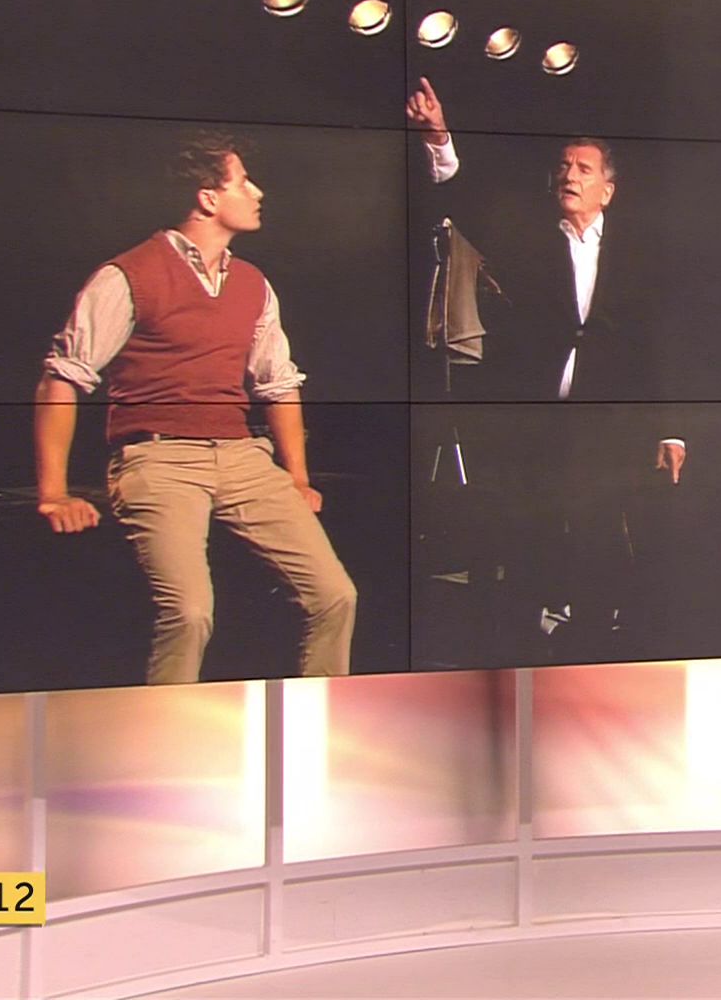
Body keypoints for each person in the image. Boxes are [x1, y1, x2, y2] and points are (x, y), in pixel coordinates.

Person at [34, 130, 357, 684]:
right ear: (208, 198)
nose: (257, 192)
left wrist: (297, 477)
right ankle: (169, 725)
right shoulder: (129, 275)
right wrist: (54, 493)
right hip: (159, 459)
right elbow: (63, 377)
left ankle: (321, 717)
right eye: (242, 182)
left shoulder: (252, 282)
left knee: (335, 595)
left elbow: (278, 384)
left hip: (241, 457)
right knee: (189, 612)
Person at [408, 80, 683, 637]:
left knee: (597, 525)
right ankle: (524, 631)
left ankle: (592, 633)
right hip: (532, 413)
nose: (569, 176)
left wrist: (670, 429)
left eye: (583, 169)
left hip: (604, 417)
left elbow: (654, 343)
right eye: (563, 167)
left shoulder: (638, 253)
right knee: (528, 525)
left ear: (607, 190)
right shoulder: (528, 238)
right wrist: (438, 135)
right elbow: (467, 204)